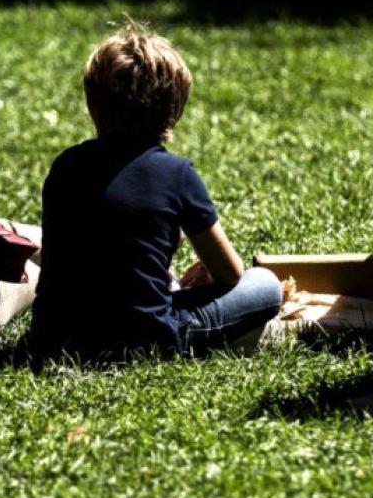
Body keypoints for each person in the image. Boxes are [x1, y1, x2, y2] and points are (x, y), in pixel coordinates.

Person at [26, 26, 282, 361]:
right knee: (265, 283)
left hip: (55, 339)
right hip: (144, 339)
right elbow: (231, 274)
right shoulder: (177, 174)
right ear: (174, 107)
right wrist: (207, 268)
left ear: (93, 103)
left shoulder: (66, 165)